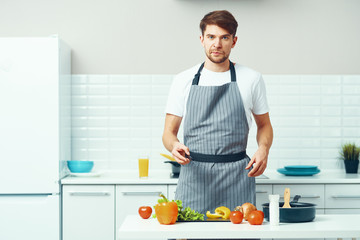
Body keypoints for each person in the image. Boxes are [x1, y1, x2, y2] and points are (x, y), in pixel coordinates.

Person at [162, 10, 273, 218]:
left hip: (237, 177)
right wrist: (174, 146)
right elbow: (168, 133)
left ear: (234, 41)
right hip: (195, 178)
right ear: (202, 39)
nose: (217, 44)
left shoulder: (252, 78)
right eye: (211, 37)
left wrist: (263, 149)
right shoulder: (183, 80)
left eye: (224, 37)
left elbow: (264, 125)